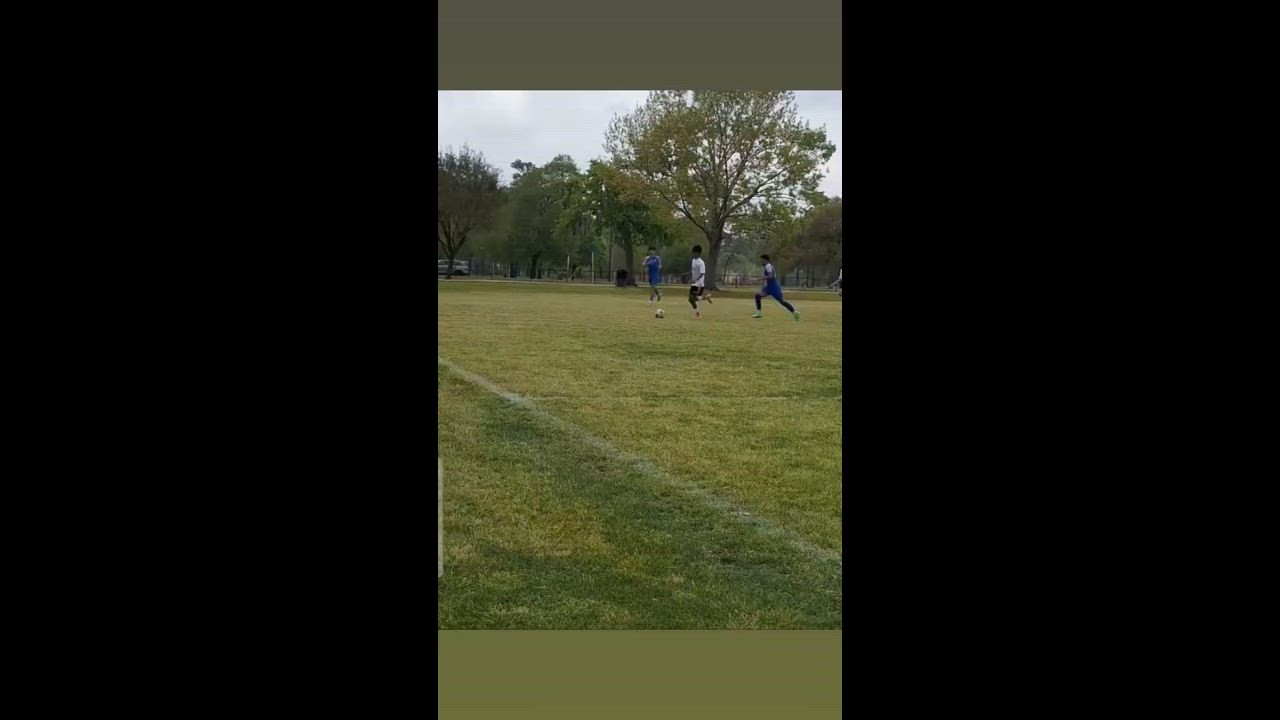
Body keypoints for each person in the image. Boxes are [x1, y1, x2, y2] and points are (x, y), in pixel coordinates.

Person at [752, 254, 799, 321]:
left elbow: (771, 276)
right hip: (769, 287)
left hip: (774, 287)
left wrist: (761, 278)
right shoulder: (767, 266)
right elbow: (769, 277)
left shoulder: (768, 266)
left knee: (782, 301)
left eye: (762, 260)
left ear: (765, 260)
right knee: (757, 295)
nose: (761, 262)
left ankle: (795, 312)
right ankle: (758, 313)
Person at [688, 245, 707, 318]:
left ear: (698, 253)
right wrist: (689, 276)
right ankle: (697, 313)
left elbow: (702, 273)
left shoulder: (701, 262)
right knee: (691, 300)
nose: (693, 254)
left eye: (694, 253)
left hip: (699, 284)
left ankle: (705, 298)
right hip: (694, 283)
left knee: (692, 299)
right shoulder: (693, 260)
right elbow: (694, 270)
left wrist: (695, 279)